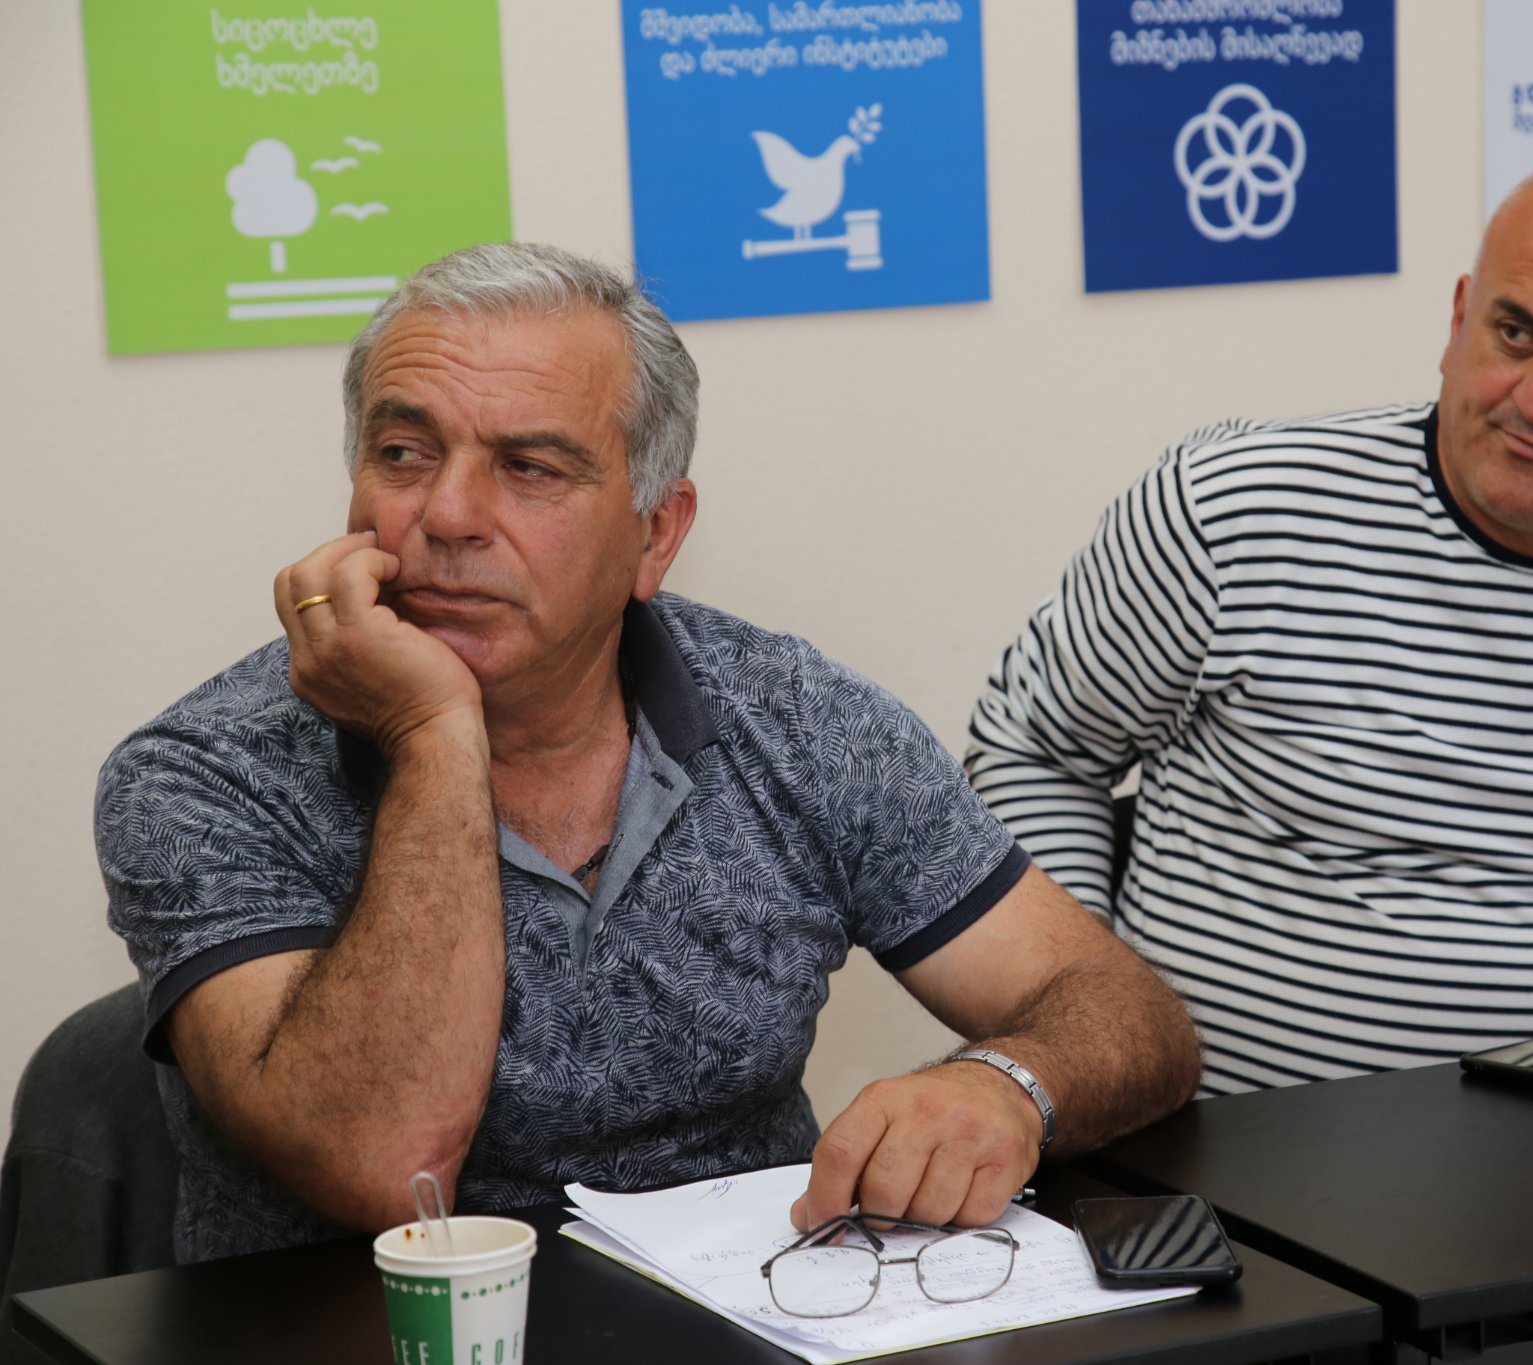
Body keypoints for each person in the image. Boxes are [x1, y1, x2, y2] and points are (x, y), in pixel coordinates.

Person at [97, 243, 1200, 1263]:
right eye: (403, 454)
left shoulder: (797, 719)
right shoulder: (203, 774)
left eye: (530, 467)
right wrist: (433, 736)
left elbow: (1125, 1012)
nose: (447, 514)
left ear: (656, 533)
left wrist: (1007, 1082)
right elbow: (389, 1168)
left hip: (760, 1319)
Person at [965, 158, 1533, 1096]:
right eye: (1516, 333)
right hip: (1222, 1146)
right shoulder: (1234, 513)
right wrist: (1089, 1018)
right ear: (1459, 322)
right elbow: (1031, 752)